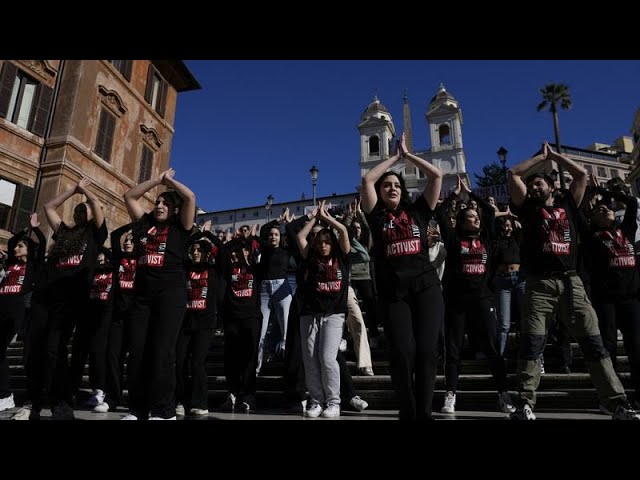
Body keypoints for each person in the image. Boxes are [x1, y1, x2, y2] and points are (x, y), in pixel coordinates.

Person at [508, 141, 639, 420]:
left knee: (594, 343)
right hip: (539, 285)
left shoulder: (569, 202)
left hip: (572, 284)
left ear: (552, 187)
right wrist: (539, 159)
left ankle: (615, 401)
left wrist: (555, 156)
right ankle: (524, 403)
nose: (534, 187)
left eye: (540, 183)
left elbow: (580, 175)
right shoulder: (527, 209)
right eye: (531, 185)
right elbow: (513, 175)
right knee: (532, 344)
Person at [361, 132, 444, 421]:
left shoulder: (418, 211)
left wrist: (408, 156)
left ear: (403, 190)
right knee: (401, 351)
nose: (392, 188)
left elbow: (436, 176)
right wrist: (394, 158)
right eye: (387, 186)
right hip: (393, 292)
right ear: (381, 192)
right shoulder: (376, 215)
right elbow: (367, 180)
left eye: (396, 185)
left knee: (426, 351)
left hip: (426, 286)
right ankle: (407, 408)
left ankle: (424, 411)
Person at [122, 167, 196, 420]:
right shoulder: (144, 225)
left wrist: (170, 182)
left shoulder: (180, 227)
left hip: (170, 295)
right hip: (142, 297)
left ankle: (164, 411)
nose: (160, 205)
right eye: (157, 202)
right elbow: (130, 196)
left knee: (162, 352)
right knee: (138, 352)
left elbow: (190, 198)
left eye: (165, 203)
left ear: (174, 209)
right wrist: (155, 181)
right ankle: (137, 409)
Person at [437, 176, 514, 415]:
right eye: (471, 216)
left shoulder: (486, 239)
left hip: (482, 299)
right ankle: (451, 393)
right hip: (457, 302)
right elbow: (440, 213)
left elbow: (490, 214)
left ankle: (503, 393)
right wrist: (454, 195)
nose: (476, 218)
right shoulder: (453, 239)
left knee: (492, 348)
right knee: (454, 349)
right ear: (461, 222)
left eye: (476, 216)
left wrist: (471, 194)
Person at [44, 177, 107, 420]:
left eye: (85, 209)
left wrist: (87, 193)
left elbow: (98, 208)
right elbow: (49, 207)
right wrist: (72, 190)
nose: (81, 211)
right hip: (58, 299)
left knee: (78, 352)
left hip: (82, 299)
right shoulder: (65, 233)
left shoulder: (94, 233)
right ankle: (58, 395)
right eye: (78, 209)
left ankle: (66, 398)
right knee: (53, 350)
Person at [584, 179, 640, 411]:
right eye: (599, 210)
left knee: (636, 347)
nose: (604, 210)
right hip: (606, 300)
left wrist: (607, 193)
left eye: (607, 208)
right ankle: (611, 395)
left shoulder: (625, 230)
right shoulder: (592, 237)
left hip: (631, 298)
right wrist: (593, 193)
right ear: (593, 220)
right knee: (608, 347)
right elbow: (579, 212)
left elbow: (634, 204)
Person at [295, 200, 351, 418]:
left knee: (327, 358)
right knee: (310, 359)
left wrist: (326, 218)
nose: (323, 245)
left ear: (332, 244)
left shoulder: (342, 257)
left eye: (327, 242)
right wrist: (313, 219)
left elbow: (344, 230)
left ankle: (333, 402)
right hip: (309, 314)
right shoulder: (310, 256)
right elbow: (300, 237)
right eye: (320, 242)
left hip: (334, 314)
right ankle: (316, 401)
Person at [0, 214, 46, 414]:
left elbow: (42, 242)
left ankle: (5, 396)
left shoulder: (33, 266)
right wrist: (22, 231)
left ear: (29, 249)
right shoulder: (11, 264)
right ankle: (4, 395)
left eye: (21, 246)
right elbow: (10, 241)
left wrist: (33, 229)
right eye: (16, 247)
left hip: (16, 310)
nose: (16, 248)